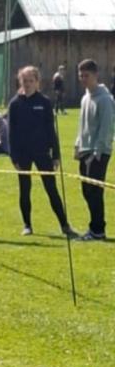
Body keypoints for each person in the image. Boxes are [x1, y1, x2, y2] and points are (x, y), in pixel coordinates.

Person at [7, 66, 77, 238]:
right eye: (25, 81)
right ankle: (27, 225)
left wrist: (56, 155)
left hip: (42, 152)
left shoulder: (44, 102)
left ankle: (64, 225)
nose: (28, 84)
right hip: (23, 154)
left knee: (51, 188)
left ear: (37, 82)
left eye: (31, 81)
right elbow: (11, 133)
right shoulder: (14, 104)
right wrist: (13, 156)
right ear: (20, 82)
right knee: (25, 189)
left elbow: (51, 130)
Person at [74, 58, 114, 241]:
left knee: (95, 191)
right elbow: (82, 125)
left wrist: (97, 152)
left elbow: (107, 128)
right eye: (81, 75)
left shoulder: (105, 99)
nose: (83, 79)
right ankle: (94, 227)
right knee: (86, 191)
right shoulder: (85, 98)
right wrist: (78, 145)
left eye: (86, 75)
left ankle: (98, 230)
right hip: (85, 150)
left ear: (95, 75)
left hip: (99, 152)